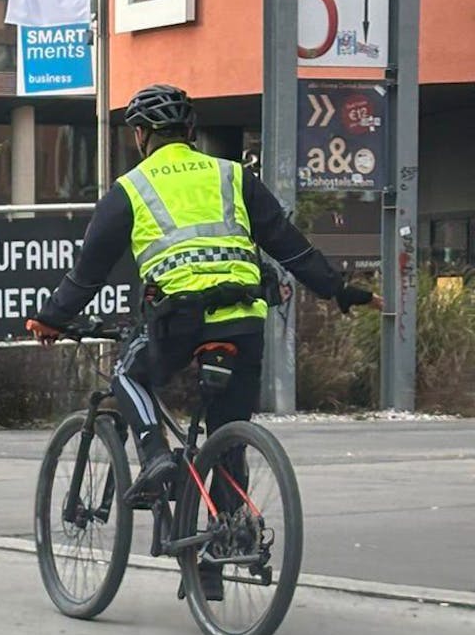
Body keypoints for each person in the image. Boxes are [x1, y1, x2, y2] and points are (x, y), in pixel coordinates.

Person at [24, 84, 378, 596]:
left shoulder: (132, 188)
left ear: (141, 135)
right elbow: (292, 248)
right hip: (243, 319)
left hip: (180, 319)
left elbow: (86, 276)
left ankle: (153, 456)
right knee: (226, 432)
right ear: (190, 134)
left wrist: (51, 319)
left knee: (128, 374)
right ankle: (216, 556)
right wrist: (339, 290)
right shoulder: (233, 176)